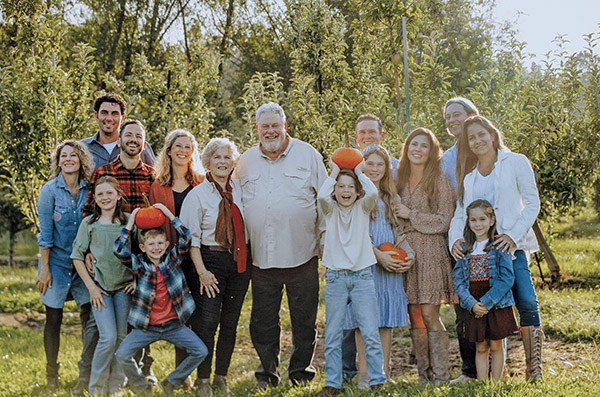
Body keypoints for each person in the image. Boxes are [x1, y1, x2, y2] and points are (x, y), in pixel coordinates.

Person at [234, 102, 327, 389]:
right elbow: (236, 204)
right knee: (263, 322)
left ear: (284, 126)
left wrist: (325, 241)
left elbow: (325, 202)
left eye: (275, 125)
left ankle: (301, 373)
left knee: (304, 320)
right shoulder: (245, 161)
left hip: (302, 254)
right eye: (265, 127)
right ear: (258, 129)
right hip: (261, 256)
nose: (270, 131)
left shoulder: (307, 155)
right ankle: (266, 374)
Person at [449, 115, 543, 380]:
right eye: (472, 137)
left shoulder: (515, 162)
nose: (478, 140)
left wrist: (512, 236)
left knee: (525, 300)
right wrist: (455, 239)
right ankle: (486, 371)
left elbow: (532, 203)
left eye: (481, 134)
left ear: (492, 134)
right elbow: (460, 214)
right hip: (480, 254)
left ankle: (533, 369)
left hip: (508, 247)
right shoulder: (470, 178)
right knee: (484, 308)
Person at [180, 138, 250, 395]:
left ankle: (221, 376)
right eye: (217, 157)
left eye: (227, 158)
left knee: (230, 322)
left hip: (239, 260)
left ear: (233, 163)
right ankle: (203, 379)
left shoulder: (240, 190)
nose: (222, 162)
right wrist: (202, 272)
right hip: (208, 261)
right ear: (208, 162)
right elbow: (191, 240)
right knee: (207, 322)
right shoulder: (196, 195)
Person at [114, 205, 208, 394]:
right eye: (151, 244)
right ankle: (142, 387)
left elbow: (186, 237)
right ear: (143, 247)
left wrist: (168, 215)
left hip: (174, 325)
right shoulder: (138, 264)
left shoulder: (173, 259)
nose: (156, 247)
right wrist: (131, 223)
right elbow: (118, 249)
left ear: (166, 245)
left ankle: (171, 382)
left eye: (159, 243)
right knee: (122, 354)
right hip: (147, 327)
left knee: (200, 351)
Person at [344, 145, 414, 389]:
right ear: (362, 167)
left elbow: (400, 232)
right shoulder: (354, 195)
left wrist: (408, 255)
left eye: (379, 164)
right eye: (369, 164)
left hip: (388, 268)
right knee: (365, 322)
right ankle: (365, 373)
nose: (374, 169)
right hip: (365, 263)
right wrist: (377, 256)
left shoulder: (392, 197)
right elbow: (353, 233)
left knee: (384, 321)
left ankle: (382, 372)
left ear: (386, 169)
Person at [394, 128, 457, 384]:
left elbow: (445, 220)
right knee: (415, 314)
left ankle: (441, 375)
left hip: (431, 250)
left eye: (424, 146)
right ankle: (424, 375)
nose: (417, 149)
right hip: (406, 250)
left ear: (432, 152)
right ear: (407, 148)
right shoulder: (398, 178)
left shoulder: (439, 179)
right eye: (413, 144)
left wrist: (411, 215)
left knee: (430, 314)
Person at [318, 160, 386, 395]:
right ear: (335, 191)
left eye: (350, 187)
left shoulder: (363, 208)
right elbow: (322, 196)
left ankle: (377, 379)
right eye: (340, 187)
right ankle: (333, 382)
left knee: (369, 331)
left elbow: (373, 191)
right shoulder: (330, 210)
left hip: (362, 276)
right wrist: (335, 171)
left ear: (358, 192)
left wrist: (358, 170)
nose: (345, 191)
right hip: (336, 277)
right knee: (333, 333)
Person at [36, 140, 94, 389]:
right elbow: (45, 234)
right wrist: (45, 269)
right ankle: (52, 374)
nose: (69, 159)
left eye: (74, 155)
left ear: (81, 160)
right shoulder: (49, 191)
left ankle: (86, 372)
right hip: (57, 263)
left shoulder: (90, 190)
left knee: (89, 317)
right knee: (53, 317)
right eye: (64, 155)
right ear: (58, 161)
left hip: (82, 263)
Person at [148, 129, 204, 389]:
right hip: (173, 259)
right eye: (178, 146)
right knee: (180, 317)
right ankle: (183, 376)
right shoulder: (158, 186)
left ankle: (194, 372)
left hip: (200, 257)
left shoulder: (202, 182)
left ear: (193, 153)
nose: (183, 151)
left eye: (188, 147)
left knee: (199, 315)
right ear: (169, 150)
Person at [70, 177, 133, 395]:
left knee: (122, 337)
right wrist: (91, 287)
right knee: (107, 338)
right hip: (100, 290)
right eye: (100, 194)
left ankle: (116, 384)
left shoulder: (128, 223)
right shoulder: (89, 224)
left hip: (123, 289)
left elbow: (142, 254)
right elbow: (77, 256)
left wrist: (135, 280)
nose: (105, 198)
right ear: (95, 199)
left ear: (118, 195)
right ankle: (96, 387)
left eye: (109, 193)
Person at [452, 200, 518, 382]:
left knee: (496, 345)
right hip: (474, 304)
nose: (478, 224)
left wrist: (487, 302)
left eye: (482, 219)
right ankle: (481, 383)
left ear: (491, 220)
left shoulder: (499, 246)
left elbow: (507, 278)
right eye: (473, 220)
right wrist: (471, 303)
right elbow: (458, 281)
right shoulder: (464, 249)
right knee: (480, 346)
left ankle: (495, 385)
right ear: (468, 222)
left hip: (496, 303)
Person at [440, 97, 480, 384]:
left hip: (488, 234)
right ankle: (469, 369)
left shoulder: (486, 147)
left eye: (457, 114)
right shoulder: (447, 159)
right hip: (459, 235)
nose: (451, 120)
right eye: (447, 117)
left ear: (471, 115)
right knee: (464, 301)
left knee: (492, 298)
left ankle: (492, 364)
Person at [81, 93, 155, 170]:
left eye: (114, 114)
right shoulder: (82, 148)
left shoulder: (139, 146)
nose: (109, 118)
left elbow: (155, 177)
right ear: (96, 115)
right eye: (104, 113)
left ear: (122, 117)